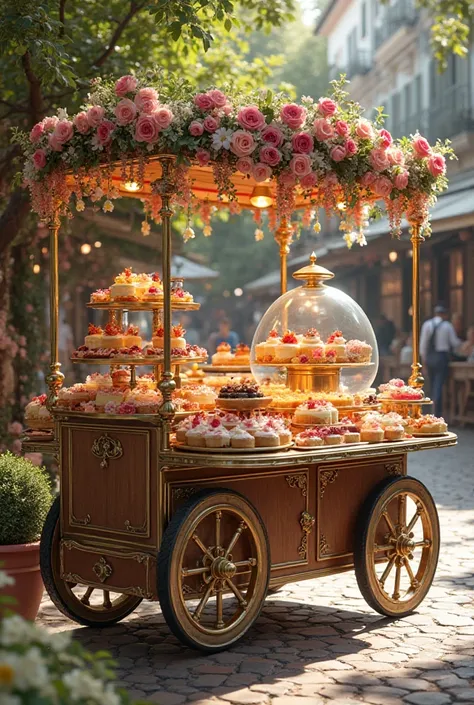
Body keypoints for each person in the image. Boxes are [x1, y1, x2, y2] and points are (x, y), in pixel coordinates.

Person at [420, 304, 461, 417]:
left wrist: (424, 363)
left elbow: (422, 346)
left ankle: (429, 409)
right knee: (438, 385)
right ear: (445, 314)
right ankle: (436, 412)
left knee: (431, 384)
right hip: (441, 357)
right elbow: (455, 343)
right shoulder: (447, 326)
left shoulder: (427, 325)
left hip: (429, 357)